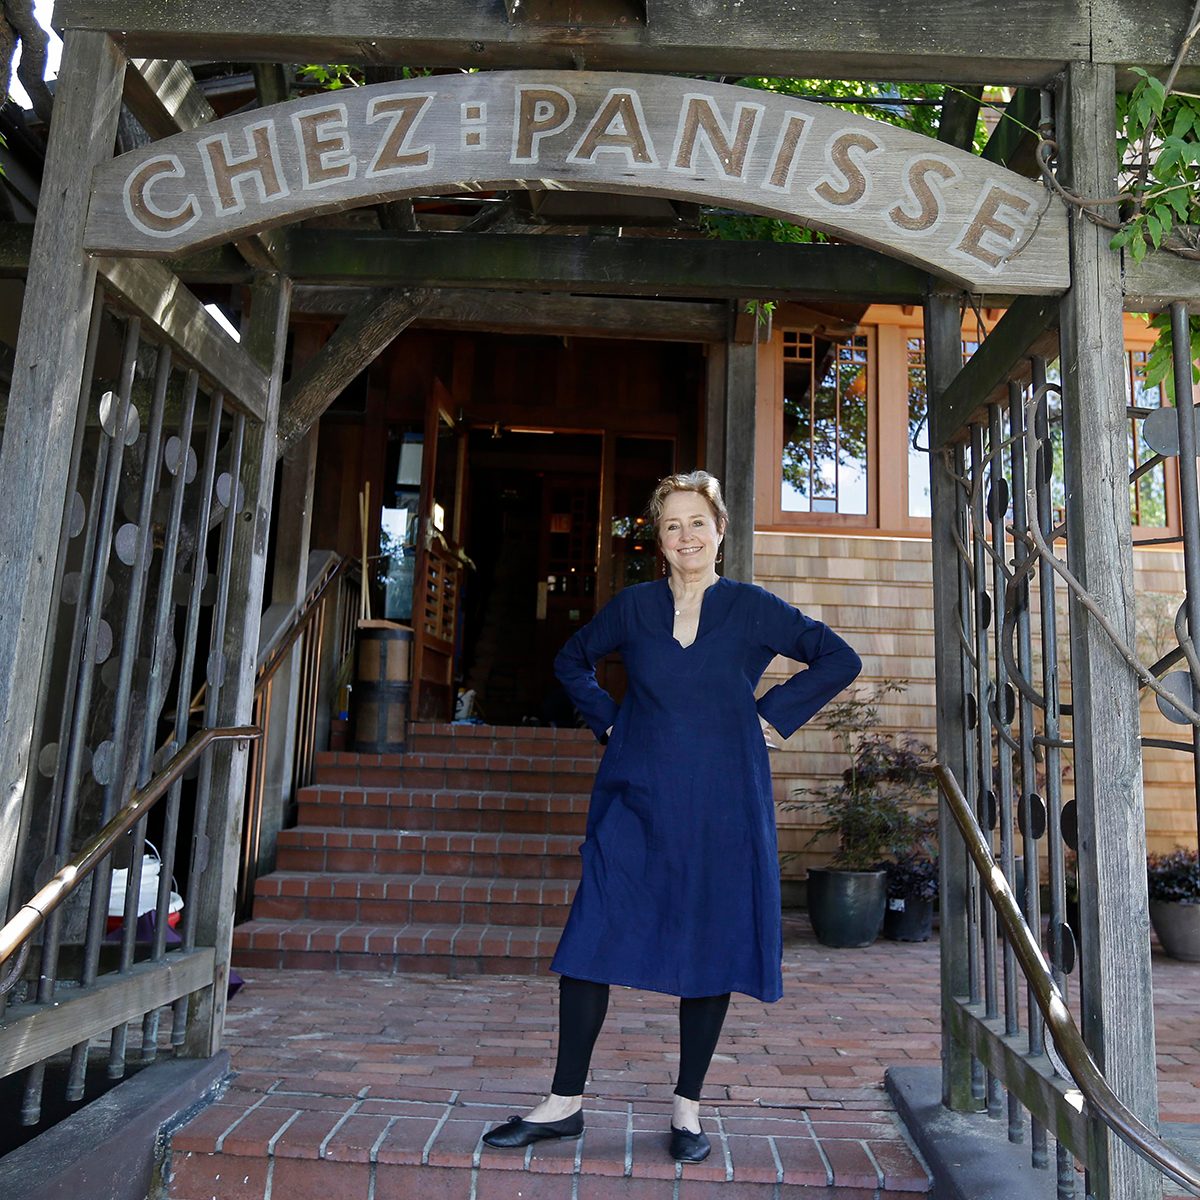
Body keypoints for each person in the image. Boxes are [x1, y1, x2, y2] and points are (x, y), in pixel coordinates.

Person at [482, 470, 862, 1162]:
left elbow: (839, 657)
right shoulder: (632, 609)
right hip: (636, 793)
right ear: (657, 540)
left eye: (697, 522)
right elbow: (572, 661)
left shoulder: (752, 608)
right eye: (670, 526)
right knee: (592, 932)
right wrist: (609, 723)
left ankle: (686, 1109)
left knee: (710, 947)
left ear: (720, 530)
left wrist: (770, 717)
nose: (685, 536)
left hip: (723, 801)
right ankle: (564, 1103)